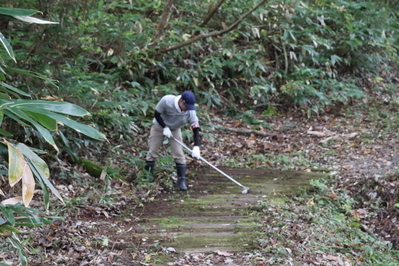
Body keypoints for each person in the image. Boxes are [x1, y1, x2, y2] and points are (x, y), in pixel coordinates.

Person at [144, 91, 201, 190]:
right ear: (182, 102)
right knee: (153, 150)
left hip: (175, 129)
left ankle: (181, 181)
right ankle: (147, 175)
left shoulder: (190, 111)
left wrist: (196, 146)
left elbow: (195, 128)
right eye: (186, 106)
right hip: (159, 126)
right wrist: (165, 127)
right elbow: (157, 114)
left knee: (178, 153)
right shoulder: (167, 101)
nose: (187, 109)